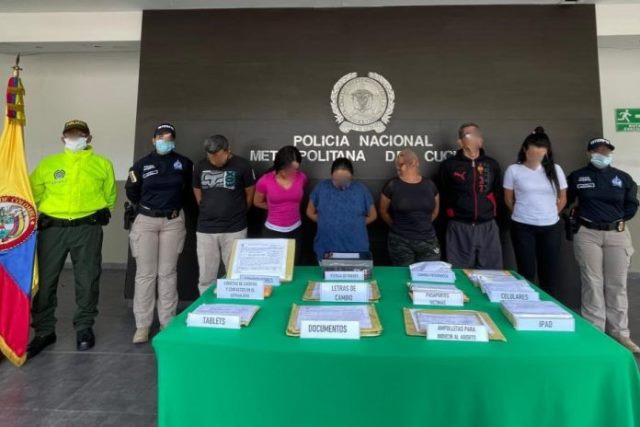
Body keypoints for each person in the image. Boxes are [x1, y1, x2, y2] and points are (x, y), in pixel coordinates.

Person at [27, 120, 116, 358]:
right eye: (70, 135)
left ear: (89, 138)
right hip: (52, 229)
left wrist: (99, 213)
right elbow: (32, 193)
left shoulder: (102, 164)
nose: (75, 138)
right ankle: (44, 331)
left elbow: (109, 196)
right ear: (62, 138)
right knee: (45, 281)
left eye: (80, 134)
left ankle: (84, 327)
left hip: (86, 228)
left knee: (87, 278)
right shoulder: (48, 164)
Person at [567, 137, 639, 353]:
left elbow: (632, 205)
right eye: (598, 150)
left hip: (617, 234)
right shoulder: (577, 176)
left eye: (606, 151)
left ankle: (620, 334)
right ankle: (595, 333)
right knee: (592, 283)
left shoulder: (623, 178)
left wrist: (614, 220)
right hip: (588, 233)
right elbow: (566, 201)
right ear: (589, 153)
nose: (602, 154)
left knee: (617, 285)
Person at [125, 123, 193, 344]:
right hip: (146, 221)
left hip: (173, 221)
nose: (165, 141)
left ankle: (167, 322)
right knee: (145, 274)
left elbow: (188, 191)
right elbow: (132, 192)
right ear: (153, 140)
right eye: (161, 137)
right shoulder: (141, 165)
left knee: (167, 273)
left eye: (169, 138)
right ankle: (142, 325)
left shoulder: (184, 163)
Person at [503, 127, 567, 297]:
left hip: (551, 226)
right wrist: (522, 212)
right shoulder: (513, 170)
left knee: (549, 272)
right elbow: (508, 198)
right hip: (522, 226)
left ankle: (550, 306)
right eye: (533, 153)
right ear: (525, 150)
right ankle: (526, 305)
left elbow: (563, 197)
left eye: (541, 154)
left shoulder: (555, 169)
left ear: (547, 152)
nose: (536, 157)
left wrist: (550, 214)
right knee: (526, 271)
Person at [193, 135, 256, 295]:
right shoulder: (200, 166)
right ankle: (206, 306)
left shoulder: (242, 165)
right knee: (206, 277)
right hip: (206, 229)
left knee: (235, 276)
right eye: (211, 157)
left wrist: (240, 210)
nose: (214, 160)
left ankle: (235, 307)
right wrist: (206, 207)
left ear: (228, 151)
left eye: (218, 156)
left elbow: (250, 192)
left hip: (234, 228)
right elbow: (197, 189)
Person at [439, 123, 503, 269]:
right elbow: (443, 194)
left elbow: (497, 193)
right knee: (459, 274)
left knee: (492, 274)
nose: (475, 138)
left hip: (487, 227)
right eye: (470, 135)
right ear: (460, 142)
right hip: (459, 227)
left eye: (477, 135)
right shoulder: (449, 165)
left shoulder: (492, 164)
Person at [306, 158, 377, 261]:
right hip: (326, 248)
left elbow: (373, 215)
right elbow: (309, 212)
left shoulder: (361, 190)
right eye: (336, 180)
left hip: (356, 248)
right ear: (331, 175)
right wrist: (325, 221)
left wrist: (356, 223)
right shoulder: (321, 188)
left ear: (352, 176)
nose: (341, 184)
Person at [379, 149, 440, 266]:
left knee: (431, 273)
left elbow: (435, 211)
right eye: (397, 164)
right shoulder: (392, 185)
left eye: (402, 164)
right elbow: (383, 211)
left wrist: (423, 224)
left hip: (428, 240)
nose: (398, 167)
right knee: (402, 275)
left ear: (415, 163)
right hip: (400, 241)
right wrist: (398, 226)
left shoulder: (430, 185)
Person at [253, 146, 307, 262]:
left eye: (295, 169)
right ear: (279, 166)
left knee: (294, 265)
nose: (292, 172)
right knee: (273, 265)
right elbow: (257, 202)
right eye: (288, 169)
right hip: (273, 231)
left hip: (296, 230)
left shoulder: (302, 178)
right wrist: (275, 208)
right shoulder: (265, 181)